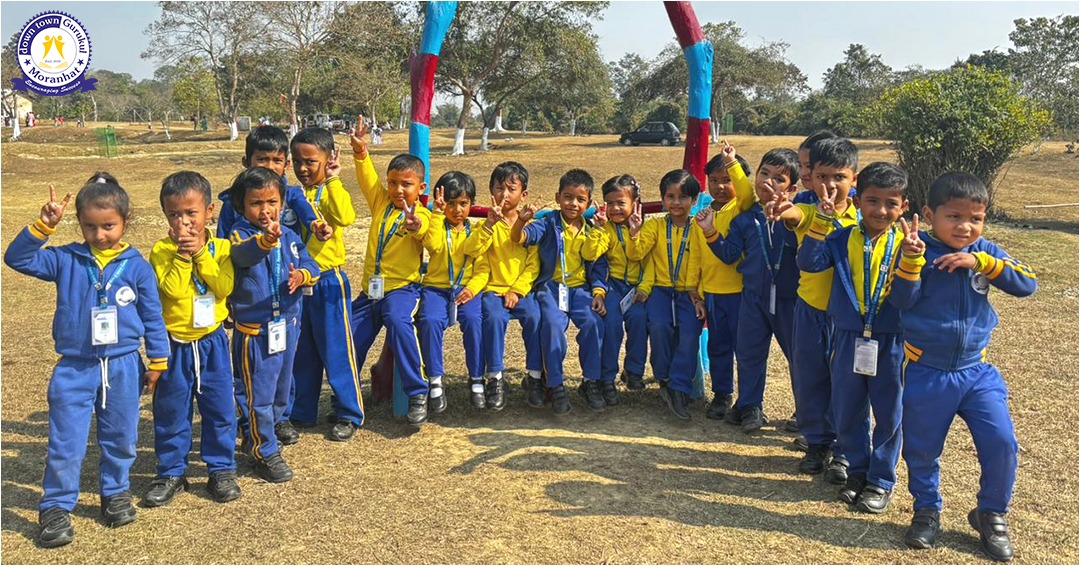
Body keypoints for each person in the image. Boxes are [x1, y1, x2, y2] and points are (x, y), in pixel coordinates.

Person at [4, 174, 169, 548]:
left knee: (121, 437)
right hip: (74, 368)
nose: (99, 235)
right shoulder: (65, 259)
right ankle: (56, 506)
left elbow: (153, 315)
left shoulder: (137, 266)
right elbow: (17, 258)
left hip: (124, 365)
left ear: (125, 220)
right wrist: (44, 226)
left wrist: (158, 360)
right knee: (66, 442)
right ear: (79, 223)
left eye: (108, 226)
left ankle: (116, 493)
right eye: (90, 226)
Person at [889, 172, 1036, 560]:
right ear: (929, 215)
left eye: (975, 218)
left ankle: (992, 514)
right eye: (954, 217)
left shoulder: (984, 251)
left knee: (1002, 442)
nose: (965, 227)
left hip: (977, 372)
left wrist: (982, 262)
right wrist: (911, 260)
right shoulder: (915, 249)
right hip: (926, 371)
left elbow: (1028, 284)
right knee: (922, 449)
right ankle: (926, 510)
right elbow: (900, 301)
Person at [794, 161, 912, 514]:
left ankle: (881, 480)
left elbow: (909, 298)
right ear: (858, 201)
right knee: (847, 407)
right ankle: (857, 471)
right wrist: (821, 220)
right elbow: (809, 263)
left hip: (891, 340)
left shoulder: (907, 244)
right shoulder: (841, 237)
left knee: (889, 412)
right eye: (873, 201)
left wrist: (912, 260)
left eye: (891, 203)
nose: (881, 210)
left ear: (904, 206)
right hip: (848, 336)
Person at [767, 136, 864, 485]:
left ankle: (844, 450)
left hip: (848, 319)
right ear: (811, 178)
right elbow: (793, 214)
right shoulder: (808, 211)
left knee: (847, 384)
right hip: (809, 311)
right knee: (810, 379)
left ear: (854, 179)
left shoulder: (863, 218)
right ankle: (816, 443)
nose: (830, 185)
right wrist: (782, 208)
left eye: (839, 177)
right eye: (822, 177)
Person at [146, 171, 240, 507]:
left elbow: (224, 287)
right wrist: (183, 256)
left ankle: (221, 469)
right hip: (175, 345)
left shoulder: (222, 248)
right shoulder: (161, 250)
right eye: (174, 214)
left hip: (212, 342)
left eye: (191, 213)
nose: (183, 222)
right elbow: (170, 291)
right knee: (171, 410)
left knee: (219, 408)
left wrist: (200, 253)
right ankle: (171, 471)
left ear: (209, 211)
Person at [227, 167, 319, 483]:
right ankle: (263, 449)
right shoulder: (240, 235)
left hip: (288, 325)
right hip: (256, 331)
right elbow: (242, 256)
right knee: (259, 394)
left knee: (281, 388)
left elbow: (311, 263)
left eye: (272, 202)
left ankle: (269, 430)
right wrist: (265, 241)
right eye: (256, 203)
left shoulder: (290, 236)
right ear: (241, 206)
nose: (265, 210)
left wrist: (303, 275)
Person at [699, 148, 800, 434]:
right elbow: (730, 254)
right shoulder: (745, 218)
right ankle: (750, 406)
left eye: (778, 179)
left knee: (798, 355)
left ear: (792, 189)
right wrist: (710, 232)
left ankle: (807, 409)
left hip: (789, 299)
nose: (768, 182)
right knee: (749, 353)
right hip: (753, 296)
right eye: (764, 173)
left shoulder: (797, 218)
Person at [286, 126, 365, 442]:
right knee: (302, 350)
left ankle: (348, 412)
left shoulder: (332, 189)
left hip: (329, 282)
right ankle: (302, 410)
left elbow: (345, 216)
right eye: (297, 161)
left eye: (311, 161)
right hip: (298, 284)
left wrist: (333, 179)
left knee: (336, 349)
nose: (303, 168)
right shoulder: (292, 194)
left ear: (328, 158)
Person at [350, 134, 433, 425]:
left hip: (401, 290)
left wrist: (416, 227)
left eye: (406, 184)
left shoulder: (423, 215)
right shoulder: (381, 203)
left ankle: (417, 392)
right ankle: (347, 398)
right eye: (393, 182)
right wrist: (361, 153)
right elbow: (367, 179)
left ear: (421, 188)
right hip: (369, 292)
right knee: (350, 337)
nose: (398, 190)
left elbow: (427, 235)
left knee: (399, 323)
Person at [512, 169, 606, 414]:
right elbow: (521, 237)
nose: (573, 203)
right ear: (558, 197)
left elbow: (597, 263)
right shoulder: (547, 223)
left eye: (580, 199)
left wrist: (598, 292)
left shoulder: (592, 229)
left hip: (581, 290)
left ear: (589, 203)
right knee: (552, 325)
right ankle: (554, 384)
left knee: (594, 323)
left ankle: (590, 381)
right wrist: (521, 222)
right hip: (552, 288)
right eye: (568, 197)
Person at [624, 170, 707, 420]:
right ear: (662, 199)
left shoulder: (700, 227)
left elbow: (701, 263)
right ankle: (665, 378)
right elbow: (637, 254)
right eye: (670, 196)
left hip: (689, 293)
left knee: (690, 333)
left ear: (694, 200)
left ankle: (679, 388)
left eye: (683, 197)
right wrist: (634, 233)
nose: (676, 202)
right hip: (660, 290)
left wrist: (697, 294)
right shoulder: (656, 226)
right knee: (659, 327)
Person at [462, 162, 543, 412]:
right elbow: (472, 251)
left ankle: (535, 377)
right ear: (491, 191)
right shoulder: (486, 225)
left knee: (535, 317)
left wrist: (516, 290)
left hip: (522, 291)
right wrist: (488, 225)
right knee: (494, 319)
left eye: (511, 189)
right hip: (493, 291)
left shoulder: (530, 226)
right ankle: (495, 377)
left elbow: (533, 266)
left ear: (523, 194)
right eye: (499, 188)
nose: (504, 195)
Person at [692, 143, 755, 423]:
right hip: (713, 294)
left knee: (745, 349)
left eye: (726, 180)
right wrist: (696, 292)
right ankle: (722, 394)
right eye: (714, 180)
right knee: (718, 347)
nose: (719, 186)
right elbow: (696, 257)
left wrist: (732, 163)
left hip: (740, 293)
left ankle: (748, 400)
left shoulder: (740, 208)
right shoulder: (702, 215)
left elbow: (747, 192)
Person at [418, 173, 489, 412]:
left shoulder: (477, 231)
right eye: (450, 203)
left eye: (463, 203)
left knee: (474, 320)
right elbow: (433, 245)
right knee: (429, 321)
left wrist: (471, 289)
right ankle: (435, 379)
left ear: (471, 204)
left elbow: (483, 269)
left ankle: (477, 378)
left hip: (466, 289)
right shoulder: (436, 225)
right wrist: (437, 213)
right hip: (436, 288)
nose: (457, 210)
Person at [583, 175, 652, 392]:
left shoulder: (647, 229)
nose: (614, 209)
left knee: (639, 321)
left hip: (637, 289)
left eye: (621, 203)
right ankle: (607, 376)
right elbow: (590, 254)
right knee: (611, 324)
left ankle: (634, 371)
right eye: (609, 203)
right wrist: (598, 229)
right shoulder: (606, 229)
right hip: (612, 287)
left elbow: (647, 262)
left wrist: (644, 288)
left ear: (635, 202)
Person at [216, 125, 327, 241]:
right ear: (246, 162)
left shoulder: (292, 194)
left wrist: (316, 224)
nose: (270, 167)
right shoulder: (233, 200)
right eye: (262, 159)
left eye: (277, 160)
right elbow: (223, 241)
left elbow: (306, 210)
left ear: (286, 164)